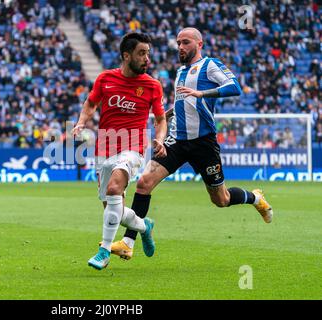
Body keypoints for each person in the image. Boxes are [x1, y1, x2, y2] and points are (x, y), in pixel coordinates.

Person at [108, 27, 274, 260]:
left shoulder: (210, 65)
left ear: (199, 43)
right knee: (144, 183)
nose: (180, 47)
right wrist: (165, 115)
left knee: (221, 200)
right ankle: (128, 242)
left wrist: (202, 94)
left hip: (203, 143)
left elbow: (235, 87)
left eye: (185, 42)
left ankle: (255, 197)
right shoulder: (181, 72)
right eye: (178, 43)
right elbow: (183, 103)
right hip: (177, 139)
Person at [72, 32, 168, 270]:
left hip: (132, 147)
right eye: (141, 53)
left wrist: (159, 139)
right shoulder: (105, 79)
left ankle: (104, 252)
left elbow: (160, 119)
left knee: (115, 188)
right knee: (114, 209)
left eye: (148, 53)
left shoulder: (152, 85)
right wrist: (81, 122)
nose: (147, 59)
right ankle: (145, 227)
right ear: (127, 56)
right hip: (104, 147)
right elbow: (91, 103)